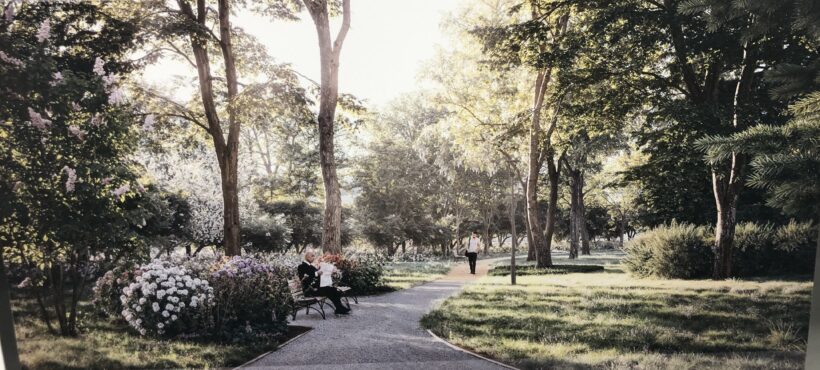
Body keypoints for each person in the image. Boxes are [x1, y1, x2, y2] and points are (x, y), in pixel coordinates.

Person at [297, 250, 351, 315]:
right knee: (331, 290)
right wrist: (317, 273)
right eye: (312, 256)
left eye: (314, 256)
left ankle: (339, 308)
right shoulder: (301, 266)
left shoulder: (311, 266)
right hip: (310, 290)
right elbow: (304, 279)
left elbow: (315, 273)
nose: (314, 257)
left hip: (316, 288)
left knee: (333, 289)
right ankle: (339, 308)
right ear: (307, 257)